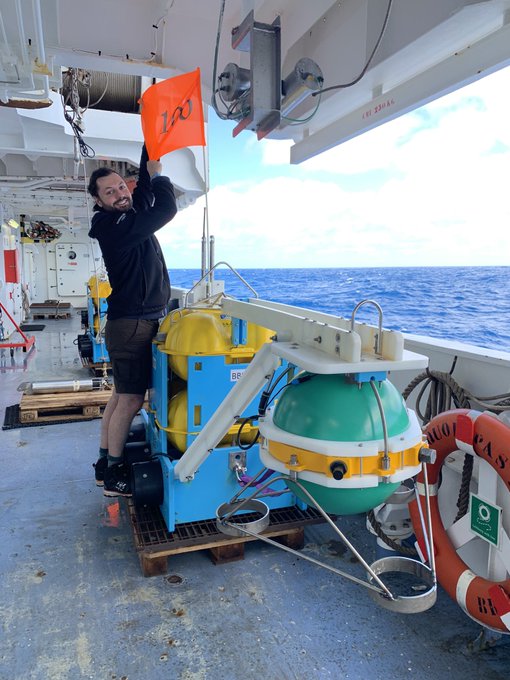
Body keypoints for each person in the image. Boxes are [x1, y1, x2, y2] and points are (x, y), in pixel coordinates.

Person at [87, 145, 177, 497]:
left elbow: (143, 195)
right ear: (99, 201)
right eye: (110, 192)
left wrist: (149, 144)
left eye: (121, 187)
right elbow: (166, 208)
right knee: (129, 401)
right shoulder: (113, 227)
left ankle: (103, 464)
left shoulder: (125, 218)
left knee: (119, 396)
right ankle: (114, 475)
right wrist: (159, 175)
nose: (120, 194)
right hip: (132, 326)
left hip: (132, 322)